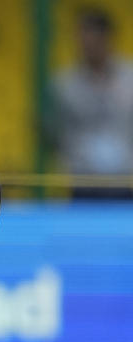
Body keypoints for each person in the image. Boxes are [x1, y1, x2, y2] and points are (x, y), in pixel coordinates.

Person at [50, 8, 133, 199]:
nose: (87, 46)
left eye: (93, 39)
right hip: (83, 182)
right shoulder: (65, 85)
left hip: (125, 181)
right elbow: (57, 134)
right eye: (82, 39)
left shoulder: (130, 78)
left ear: (107, 39)